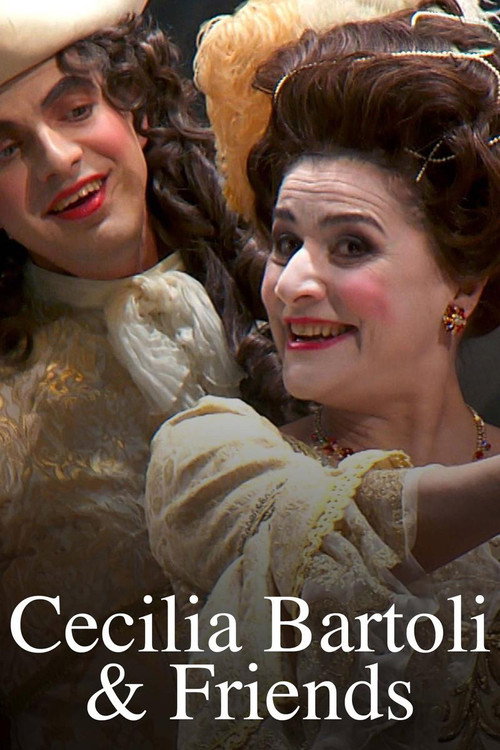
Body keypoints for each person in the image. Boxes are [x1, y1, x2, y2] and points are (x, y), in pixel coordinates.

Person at [146, 1, 500, 747]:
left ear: (463, 288)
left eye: (350, 246)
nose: (292, 283)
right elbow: (335, 541)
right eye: (285, 242)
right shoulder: (210, 459)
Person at [0, 0, 256, 747]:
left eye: (76, 109)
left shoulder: (290, 273)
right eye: (4, 149)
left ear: (135, 105)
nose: (57, 158)